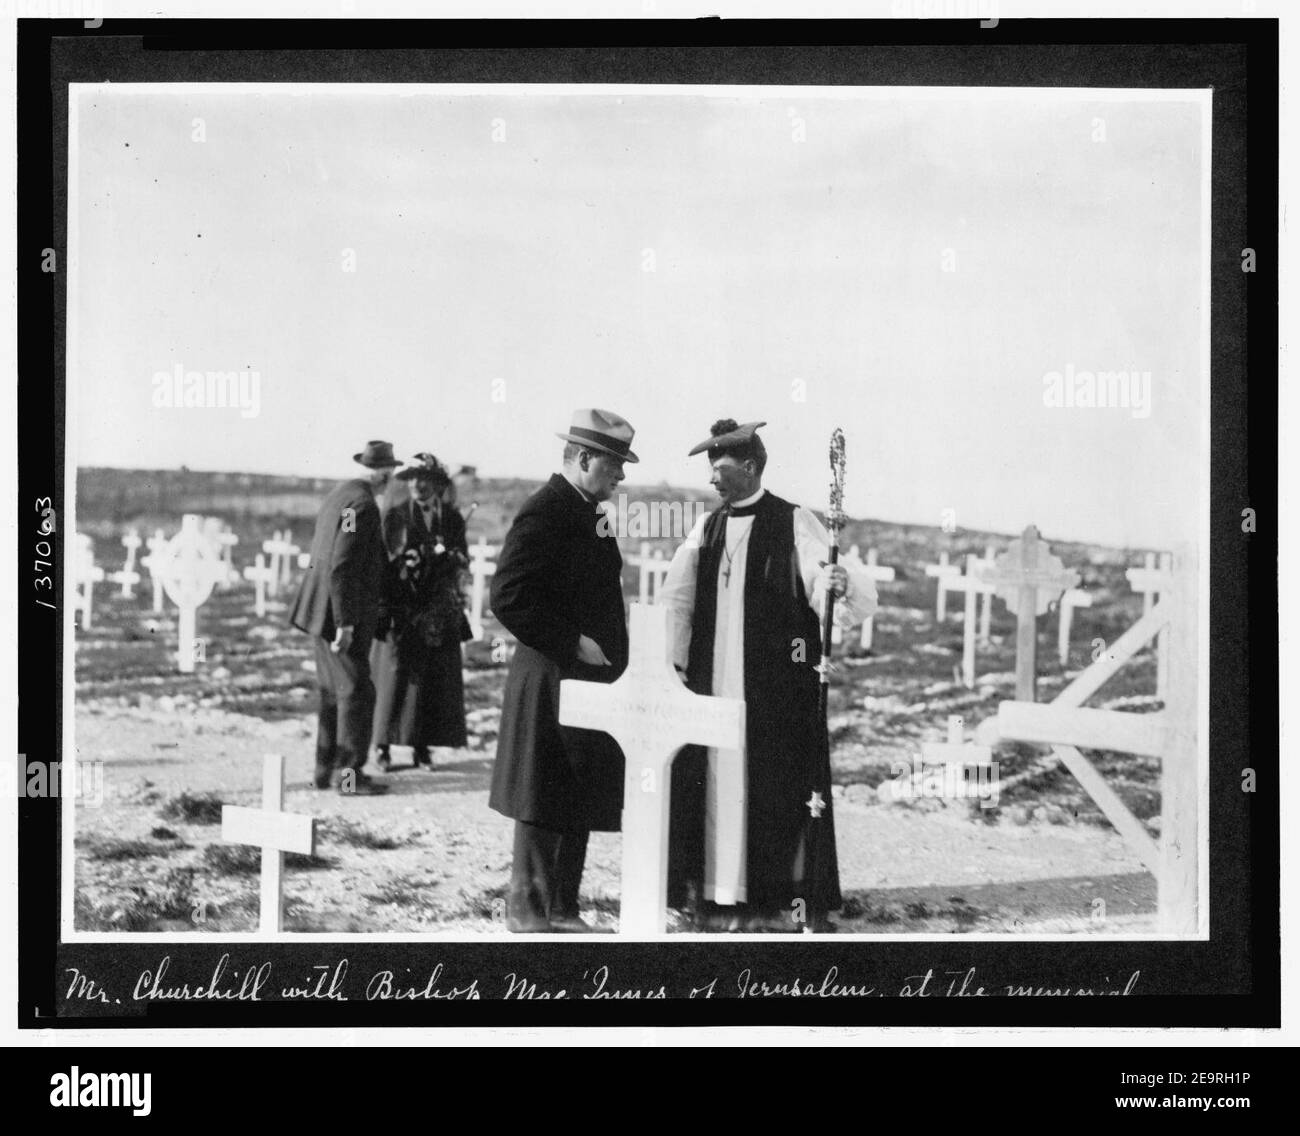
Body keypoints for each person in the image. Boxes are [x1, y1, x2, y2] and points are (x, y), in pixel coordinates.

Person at [659, 418, 877, 931]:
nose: (713, 476)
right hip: (712, 685)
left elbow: (821, 583)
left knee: (776, 787)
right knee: (710, 783)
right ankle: (716, 895)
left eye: (722, 466)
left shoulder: (793, 520)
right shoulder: (706, 528)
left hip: (776, 689)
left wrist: (834, 582)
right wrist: (671, 665)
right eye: (711, 465)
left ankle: (783, 896)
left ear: (751, 467)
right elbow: (676, 598)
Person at [487, 409, 636, 932]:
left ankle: (562, 907)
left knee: (575, 788)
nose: (621, 475)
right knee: (541, 790)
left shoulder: (589, 511)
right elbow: (507, 595)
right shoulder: (546, 510)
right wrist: (571, 642)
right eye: (615, 464)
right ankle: (528, 910)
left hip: (584, 680)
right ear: (585, 458)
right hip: (551, 673)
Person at [289, 440, 401, 796]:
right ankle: (348, 778)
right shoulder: (364, 506)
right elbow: (342, 565)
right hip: (339, 616)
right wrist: (346, 623)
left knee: (332, 692)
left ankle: (324, 771)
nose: (391, 480)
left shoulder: (341, 495)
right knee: (356, 691)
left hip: (319, 612)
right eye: (391, 473)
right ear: (383, 473)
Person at [371, 452, 470, 770]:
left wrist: (453, 559)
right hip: (403, 605)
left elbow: (461, 557)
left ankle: (421, 746)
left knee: (431, 677)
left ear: (438, 485)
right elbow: (388, 562)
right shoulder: (397, 515)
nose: (417, 485)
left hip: (436, 608)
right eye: (412, 478)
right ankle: (382, 746)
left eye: (424, 480)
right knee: (393, 675)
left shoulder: (452, 518)